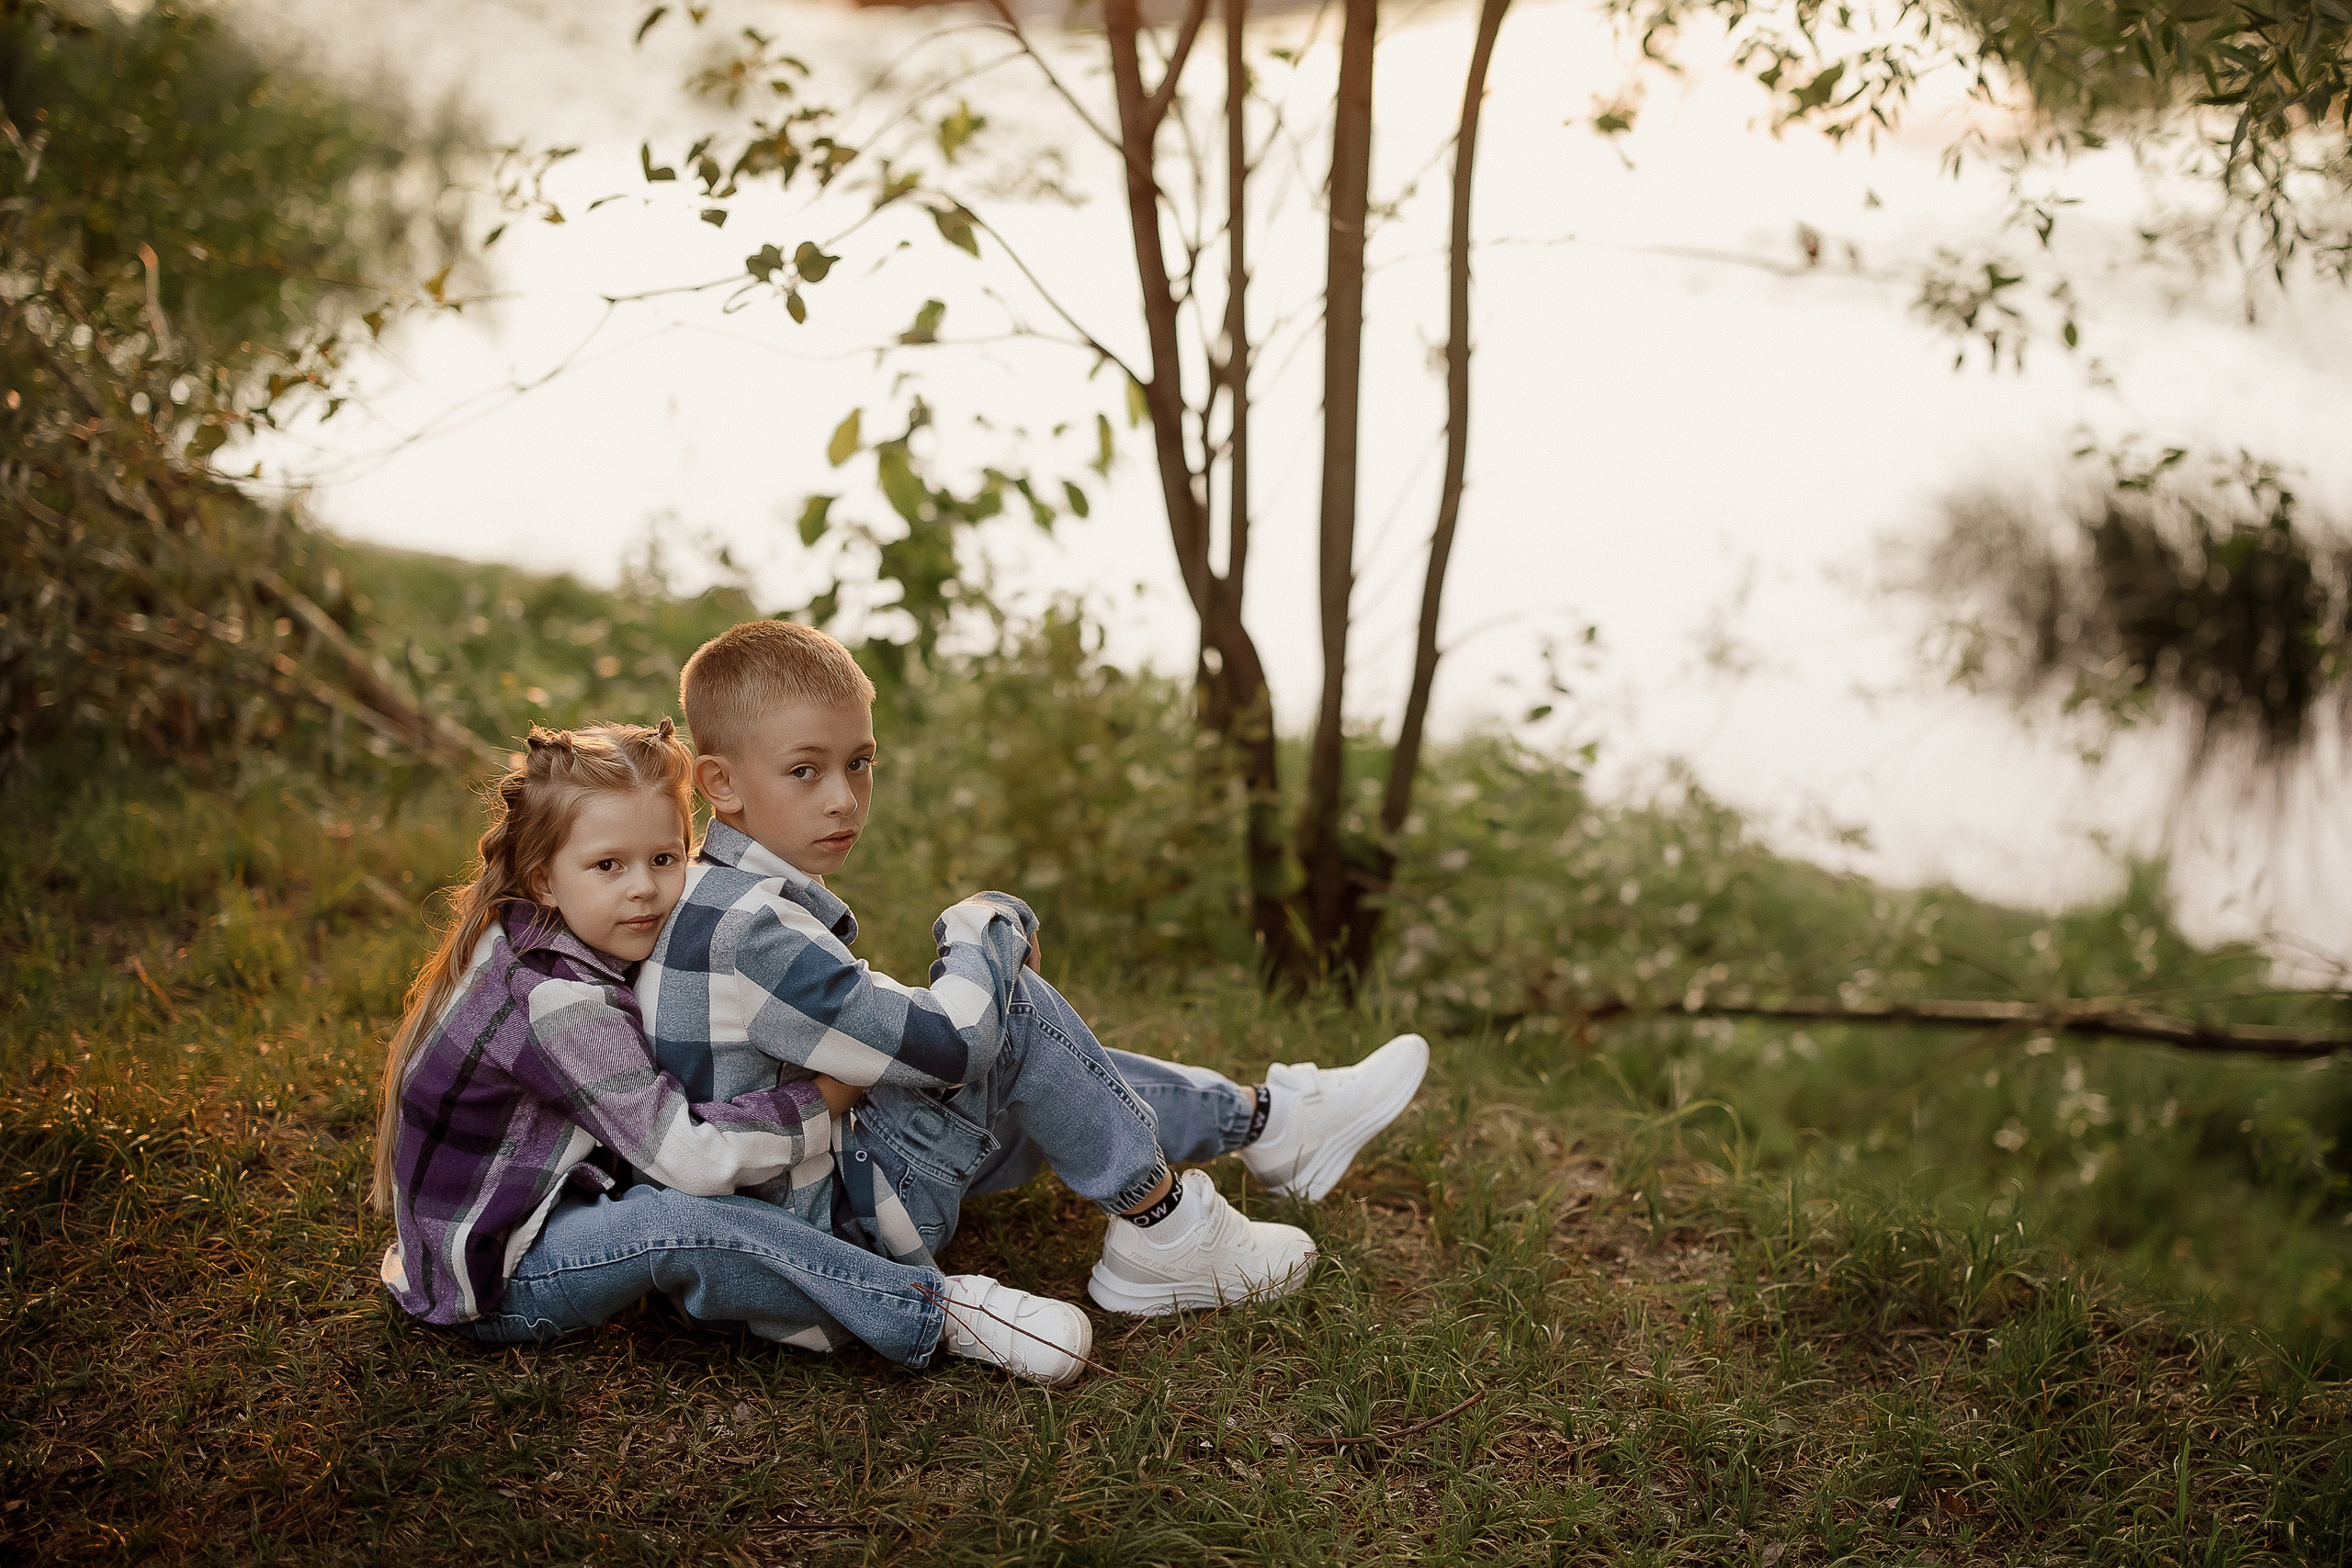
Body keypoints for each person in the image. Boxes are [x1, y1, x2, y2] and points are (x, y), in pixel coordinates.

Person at [631, 619, 1430, 1383]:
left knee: (1040, 1060)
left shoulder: (713, 896)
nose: (844, 797)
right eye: (806, 770)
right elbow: (954, 1043)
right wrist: (984, 923)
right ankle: (1163, 1228)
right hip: (833, 1237)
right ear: (721, 782)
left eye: (860, 762)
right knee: (1008, 1016)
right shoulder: (755, 930)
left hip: (815, 1180)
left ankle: (1269, 1122)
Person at [372, 721, 1088, 1381]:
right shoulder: (557, 999)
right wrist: (823, 1097)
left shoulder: (558, 931)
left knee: (687, 1196)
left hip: (556, 1195)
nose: (644, 888)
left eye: (662, 857)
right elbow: (694, 1160)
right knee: (680, 1220)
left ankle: (1137, 1116)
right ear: (542, 879)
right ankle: (940, 1312)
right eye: (608, 865)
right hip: (505, 1274)